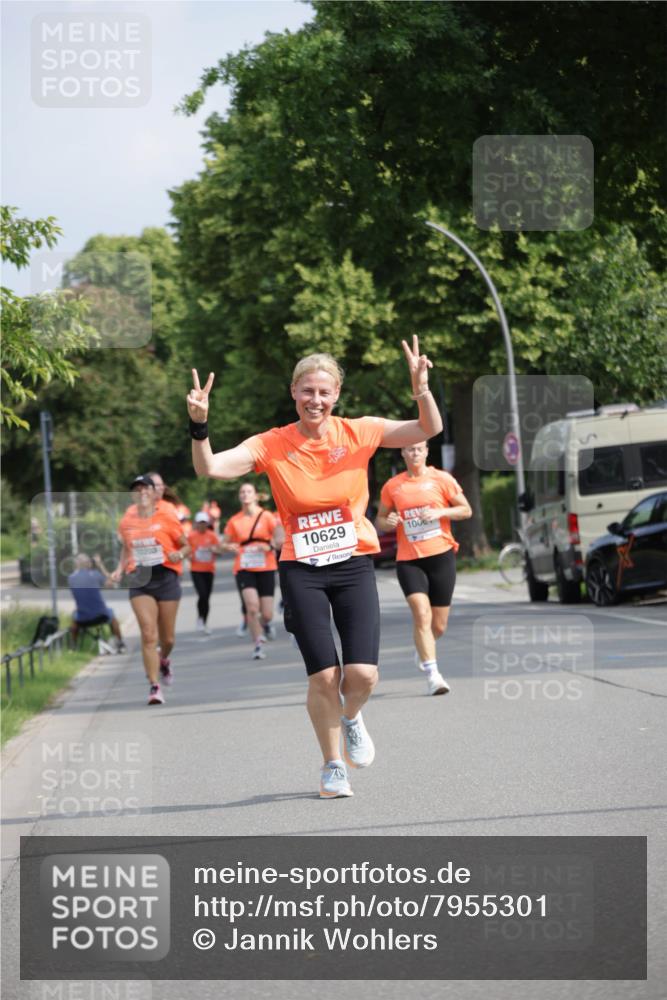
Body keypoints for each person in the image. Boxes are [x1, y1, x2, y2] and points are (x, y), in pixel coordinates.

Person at [187, 336, 442, 798]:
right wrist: (199, 425)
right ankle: (332, 766)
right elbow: (210, 469)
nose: (316, 400)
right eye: (307, 391)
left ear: (337, 395)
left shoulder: (359, 431)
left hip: (353, 563)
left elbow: (427, 428)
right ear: (293, 393)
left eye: (324, 392)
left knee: (363, 675)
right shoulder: (272, 443)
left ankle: (350, 717)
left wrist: (420, 388)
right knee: (324, 675)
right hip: (301, 568)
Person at [376, 442, 472, 695]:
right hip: (409, 560)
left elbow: (466, 510)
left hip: (441, 556)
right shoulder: (393, 486)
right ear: (403, 453)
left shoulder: (442, 479)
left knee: (438, 626)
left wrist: (440, 512)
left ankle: (423, 646)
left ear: (427, 451)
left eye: (419, 448)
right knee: (421, 613)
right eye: (409, 449)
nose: (414, 453)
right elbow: (381, 520)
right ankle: (433, 675)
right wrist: (390, 521)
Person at [111, 475, 189, 705]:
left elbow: (186, 545)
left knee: (168, 639)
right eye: (136, 489)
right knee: (148, 633)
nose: (141, 492)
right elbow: (127, 549)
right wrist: (119, 569)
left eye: (145, 488)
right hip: (139, 579)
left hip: (166, 577)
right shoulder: (127, 519)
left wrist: (179, 554)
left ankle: (163, 659)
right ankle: (154, 686)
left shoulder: (167, 514)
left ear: (154, 492)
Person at [222, 484, 281, 659]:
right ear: (239, 496)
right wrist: (228, 546)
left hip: (266, 567)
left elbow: (280, 539)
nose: (245, 494)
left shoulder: (267, 516)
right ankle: (257, 644)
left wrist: (269, 545)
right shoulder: (234, 520)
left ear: (255, 496)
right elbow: (223, 544)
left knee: (268, 614)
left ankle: (265, 625)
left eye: (248, 491)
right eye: (242, 492)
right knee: (252, 608)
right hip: (244, 567)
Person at [68, 553, 125, 651]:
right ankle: (120, 643)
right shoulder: (95, 574)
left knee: (74, 618)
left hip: (82, 618)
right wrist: (100, 565)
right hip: (101, 615)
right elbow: (111, 584)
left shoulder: (71, 578)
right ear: (89, 564)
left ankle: (73, 646)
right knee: (113, 616)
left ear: (76, 564)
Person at [188, 511, 223, 634]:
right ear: (196, 524)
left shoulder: (212, 535)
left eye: (204, 523)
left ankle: (204, 621)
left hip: (209, 570)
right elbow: (186, 550)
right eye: (200, 523)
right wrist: (190, 555)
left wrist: (214, 549)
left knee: (207, 597)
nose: (202, 525)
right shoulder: (191, 536)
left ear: (207, 524)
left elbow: (220, 551)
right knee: (202, 594)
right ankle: (200, 619)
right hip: (196, 570)